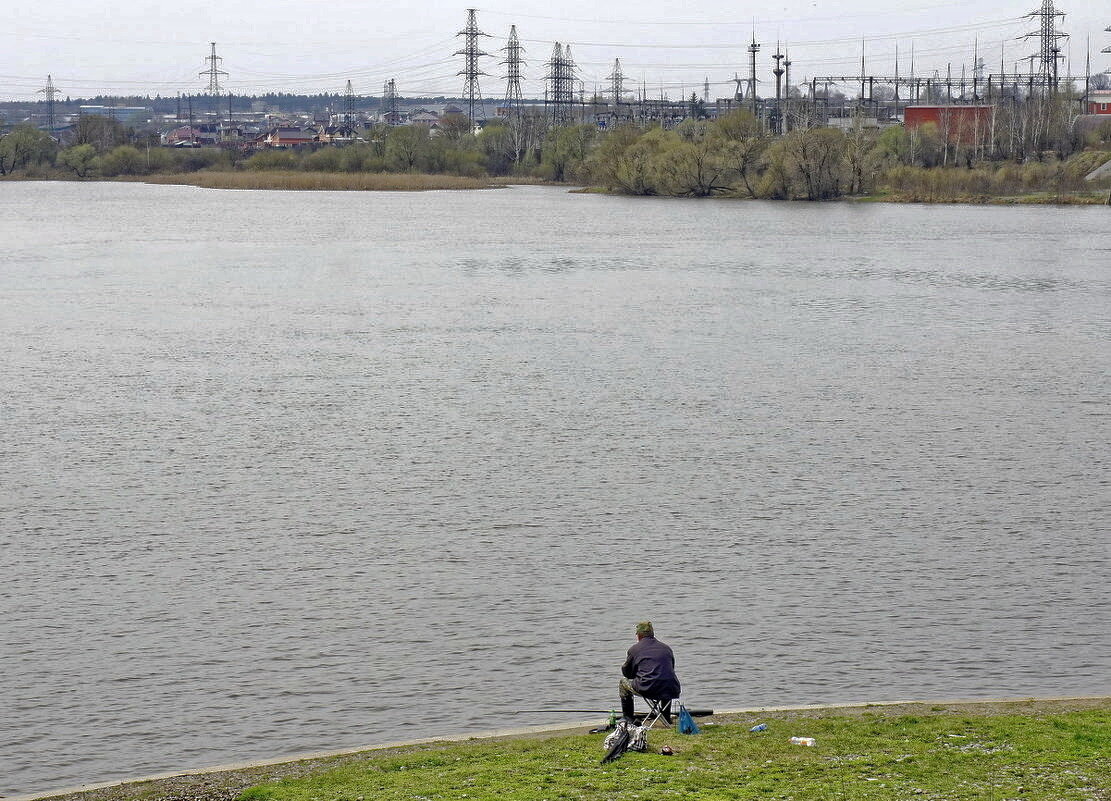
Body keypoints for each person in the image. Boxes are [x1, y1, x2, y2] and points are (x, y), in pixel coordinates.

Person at [619, 621, 681, 722]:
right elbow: (671, 669)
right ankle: (666, 717)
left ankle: (628, 718)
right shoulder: (666, 648)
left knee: (623, 683)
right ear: (652, 634)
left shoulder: (634, 650)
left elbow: (627, 673)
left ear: (639, 635)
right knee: (665, 679)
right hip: (672, 688)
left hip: (648, 688)